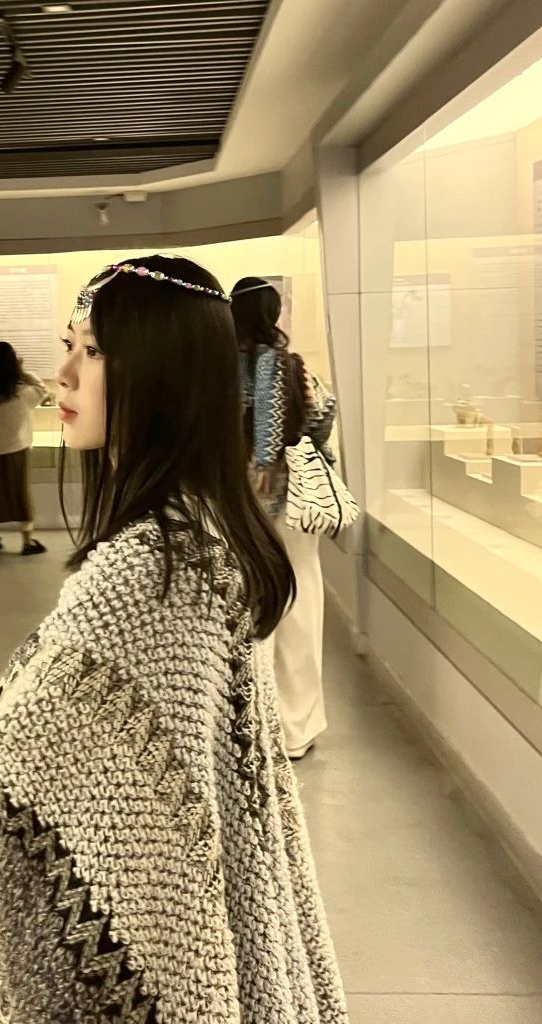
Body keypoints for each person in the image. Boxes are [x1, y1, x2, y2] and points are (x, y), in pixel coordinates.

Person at [0, 257, 354, 1024]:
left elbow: (18, 749)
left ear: (160, 371)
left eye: (93, 352)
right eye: (67, 347)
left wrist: (6, 714)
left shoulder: (148, 566)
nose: (65, 376)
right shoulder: (202, 524)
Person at [231, 276, 336, 761]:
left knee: (248, 607)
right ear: (273, 315)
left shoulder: (220, 370)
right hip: (292, 504)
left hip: (237, 503)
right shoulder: (292, 366)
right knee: (300, 603)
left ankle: (252, 723)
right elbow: (322, 417)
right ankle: (296, 726)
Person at [0, 341, 48, 556]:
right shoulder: (20, 392)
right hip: (17, 450)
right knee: (20, 494)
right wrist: (22, 372)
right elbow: (42, 390)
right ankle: (27, 541)